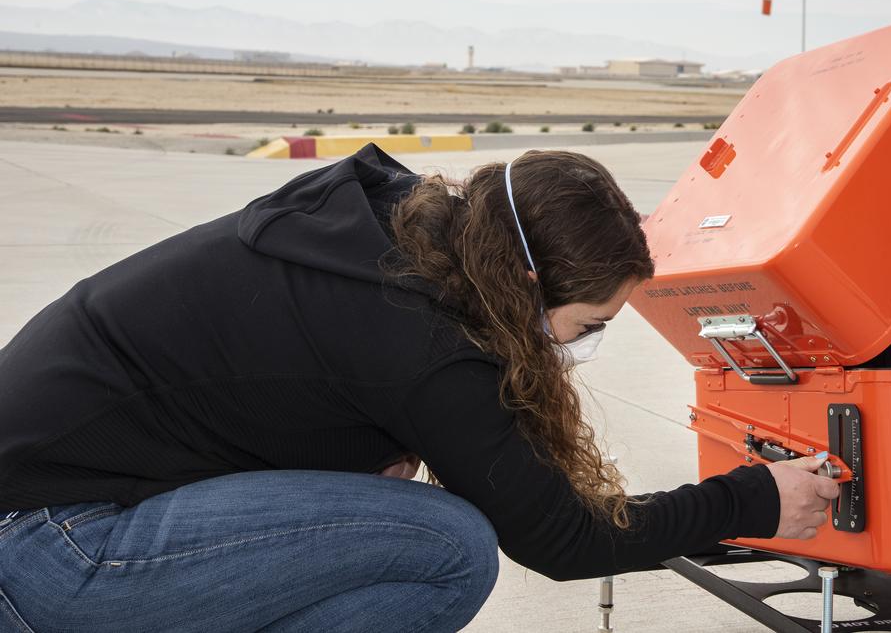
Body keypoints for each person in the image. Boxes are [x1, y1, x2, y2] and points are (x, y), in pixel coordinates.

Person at [0, 144, 838, 632]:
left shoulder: (381, 233)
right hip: (54, 549)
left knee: (391, 504)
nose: (583, 350)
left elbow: (259, 384)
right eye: (587, 326)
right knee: (448, 548)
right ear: (527, 289)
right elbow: (562, 541)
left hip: (53, 507)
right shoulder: (423, 341)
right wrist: (751, 503)